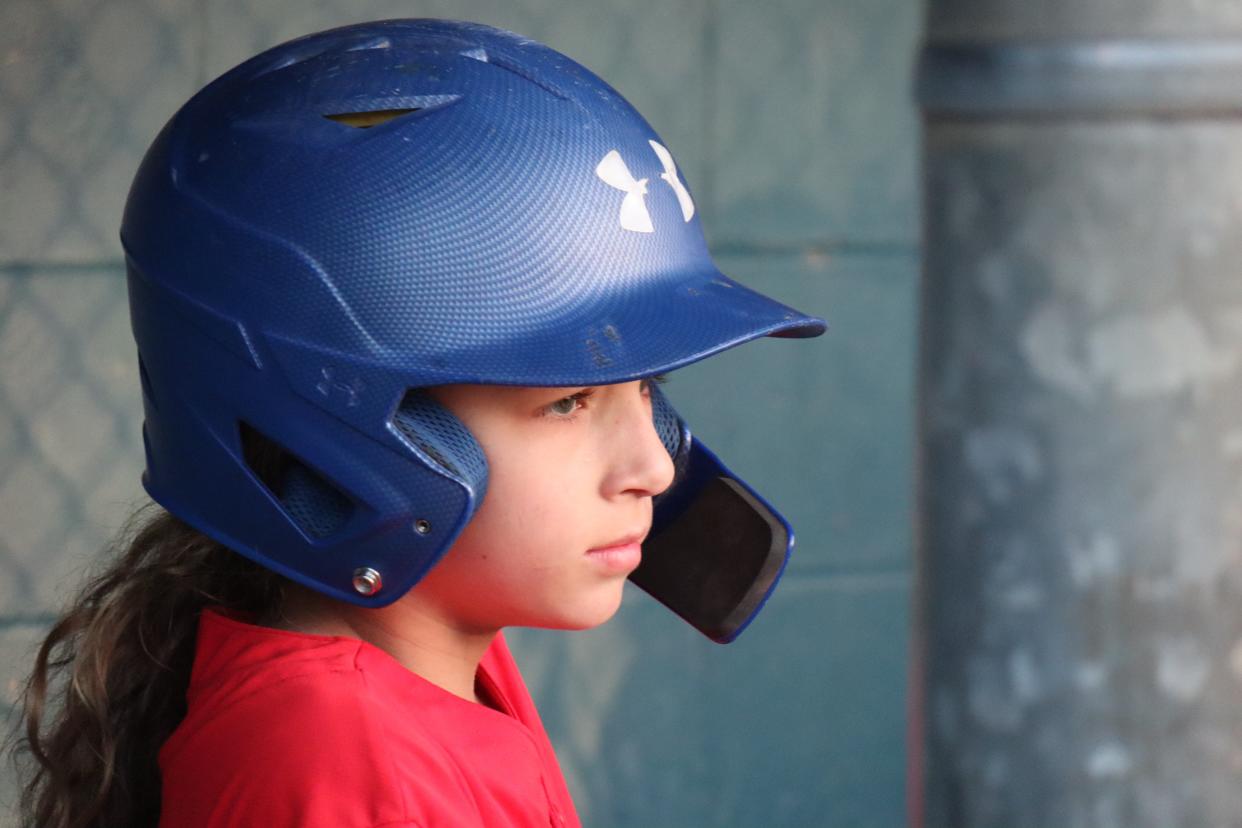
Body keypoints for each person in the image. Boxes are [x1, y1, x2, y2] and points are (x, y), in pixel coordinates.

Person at [11, 18, 825, 828]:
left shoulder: (436, 663)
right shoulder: (340, 761)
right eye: (567, 402)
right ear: (333, 422)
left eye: (647, 387)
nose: (653, 466)